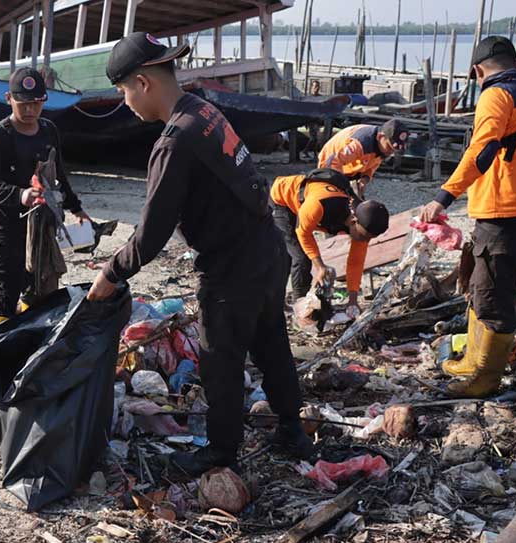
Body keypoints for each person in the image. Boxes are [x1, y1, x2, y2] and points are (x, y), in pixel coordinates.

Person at [86, 32, 312, 475]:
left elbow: (151, 234)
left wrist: (111, 273)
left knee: (219, 360)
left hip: (232, 266)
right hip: (268, 247)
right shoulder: (205, 111)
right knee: (271, 344)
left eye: (123, 90)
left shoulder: (174, 142)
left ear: (143, 82)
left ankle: (221, 453)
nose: (125, 101)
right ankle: (292, 430)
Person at [421, 36, 516, 398]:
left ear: (477, 70)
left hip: (504, 215)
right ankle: (474, 359)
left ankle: (484, 379)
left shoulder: (496, 95)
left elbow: (483, 149)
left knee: (492, 297)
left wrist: (443, 197)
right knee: (480, 286)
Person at [0, 67, 90, 329]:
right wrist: (20, 194)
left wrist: (76, 208)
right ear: (8, 99)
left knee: (40, 287)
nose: (30, 110)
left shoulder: (48, 131)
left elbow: (58, 172)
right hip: (6, 226)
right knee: (4, 289)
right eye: (23, 104)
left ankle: (29, 343)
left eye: (36, 103)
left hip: (41, 226)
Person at [271, 170, 390, 315]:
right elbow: (303, 232)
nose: (364, 241)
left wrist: (353, 301)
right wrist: (320, 266)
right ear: (353, 221)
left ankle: (290, 304)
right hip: (283, 198)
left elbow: (355, 263)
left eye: (369, 238)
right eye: (364, 236)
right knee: (300, 258)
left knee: (296, 257)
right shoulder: (319, 205)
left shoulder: (363, 226)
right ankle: (300, 311)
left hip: (307, 209)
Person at [317, 119, 409, 197]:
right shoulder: (360, 144)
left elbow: (372, 166)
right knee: (332, 198)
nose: (390, 152)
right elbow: (334, 161)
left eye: (393, 151)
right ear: (380, 136)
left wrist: (364, 179)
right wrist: (342, 186)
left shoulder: (382, 147)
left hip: (350, 165)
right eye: (389, 148)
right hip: (330, 163)